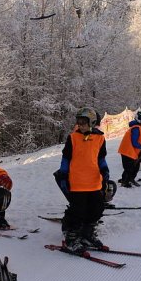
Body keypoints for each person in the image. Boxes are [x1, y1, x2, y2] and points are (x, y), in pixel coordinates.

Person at [55, 107, 110, 253]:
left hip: (94, 182)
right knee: (77, 211)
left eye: (83, 121)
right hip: (77, 183)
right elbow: (66, 158)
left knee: (97, 209)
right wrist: (63, 175)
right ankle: (71, 238)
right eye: (78, 121)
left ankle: (87, 233)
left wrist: (105, 170)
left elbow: (101, 158)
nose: (80, 124)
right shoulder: (72, 138)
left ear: (92, 122)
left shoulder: (100, 138)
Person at [118, 110, 141, 188]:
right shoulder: (136, 128)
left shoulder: (139, 128)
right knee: (129, 168)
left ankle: (131, 179)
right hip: (127, 151)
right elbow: (134, 141)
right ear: (140, 120)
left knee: (135, 167)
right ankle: (125, 182)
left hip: (131, 151)